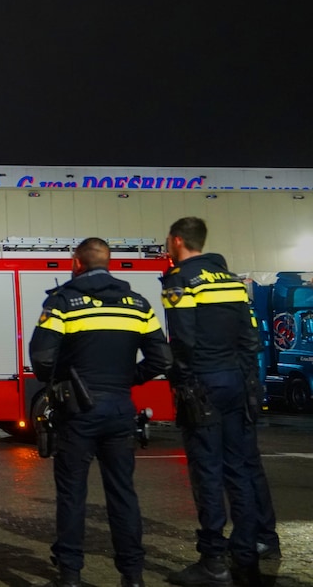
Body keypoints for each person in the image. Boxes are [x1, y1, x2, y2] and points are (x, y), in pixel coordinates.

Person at [29, 237, 173, 587]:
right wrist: (128, 379)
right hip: (121, 409)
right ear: (108, 262)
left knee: (72, 493)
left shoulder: (62, 302)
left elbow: (42, 358)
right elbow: (162, 359)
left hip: (78, 412)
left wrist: (62, 382)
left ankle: (70, 575)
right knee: (123, 493)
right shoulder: (138, 304)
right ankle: (133, 575)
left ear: (77, 262)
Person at [161, 217, 275, 587]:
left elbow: (182, 342)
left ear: (178, 241)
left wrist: (183, 385)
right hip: (236, 384)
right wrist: (250, 386)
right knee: (239, 470)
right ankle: (245, 552)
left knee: (207, 472)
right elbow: (249, 339)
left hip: (204, 386)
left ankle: (212, 560)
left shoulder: (180, 280)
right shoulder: (232, 282)